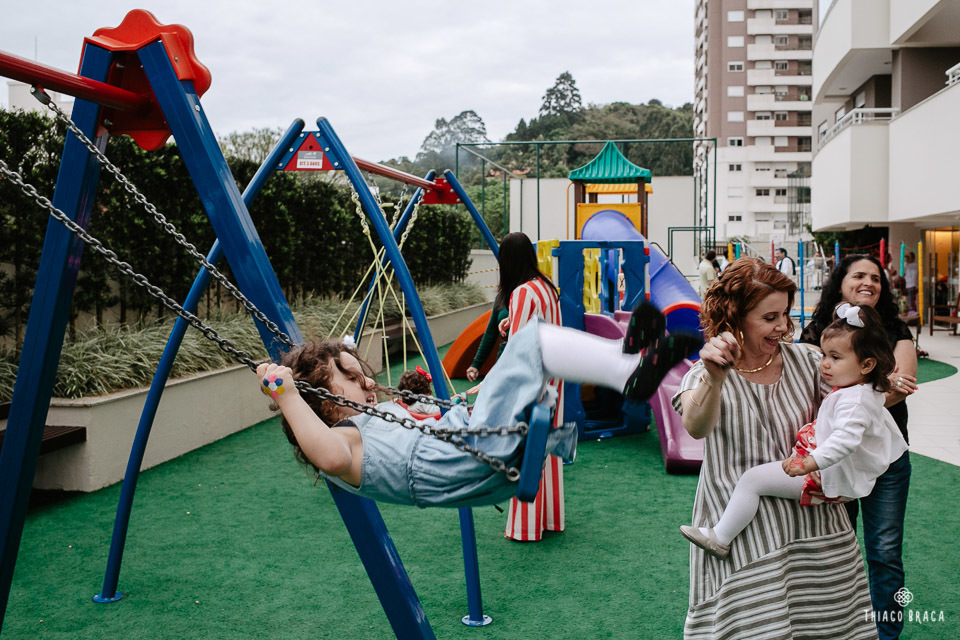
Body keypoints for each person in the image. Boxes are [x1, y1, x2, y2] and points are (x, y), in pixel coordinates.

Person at [257, 305, 700, 509]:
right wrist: (287, 394)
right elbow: (329, 455)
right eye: (351, 379)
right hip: (456, 459)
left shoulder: (370, 423)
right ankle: (625, 369)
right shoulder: (342, 439)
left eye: (362, 372)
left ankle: (624, 358)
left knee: (527, 347)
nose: (368, 381)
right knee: (531, 342)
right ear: (325, 405)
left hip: (463, 447)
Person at [672, 257, 877, 639]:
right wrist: (715, 380)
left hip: (813, 528)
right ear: (734, 318)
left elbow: (855, 406)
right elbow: (695, 428)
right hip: (741, 534)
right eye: (769, 318)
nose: (782, 326)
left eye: (784, 314)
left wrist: (887, 389)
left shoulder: (811, 360)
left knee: (826, 624)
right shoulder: (703, 374)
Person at [680, 303, 908, 560]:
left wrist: (810, 462)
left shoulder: (853, 400)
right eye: (824, 355)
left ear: (866, 365)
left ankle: (720, 537)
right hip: (828, 469)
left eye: (835, 358)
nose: (825, 364)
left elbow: (845, 440)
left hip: (823, 473)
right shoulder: (858, 389)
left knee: (753, 480)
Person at [799, 254, 917, 640]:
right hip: (839, 460)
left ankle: (887, 633)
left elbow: (896, 385)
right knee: (834, 544)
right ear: (841, 282)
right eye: (859, 275)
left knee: (884, 550)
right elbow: (811, 385)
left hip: (883, 460)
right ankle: (837, 624)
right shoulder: (818, 329)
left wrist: (873, 394)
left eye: (876, 278)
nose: (869, 282)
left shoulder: (894, 330)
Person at [489, 232, 567, 541]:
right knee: (547, 447)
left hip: (532, 378)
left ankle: (526, 527)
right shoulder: (547, 288)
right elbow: (543, 326)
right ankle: (550, 518)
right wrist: (510, 324)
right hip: (554, 374)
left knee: (525, 449)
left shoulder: (521, 292)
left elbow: (519, 347)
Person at [465, 305, 508, 383]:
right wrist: (476, 364)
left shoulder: (527, 295)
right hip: (503, 354)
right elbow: (490, 333)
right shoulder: (502, 298)